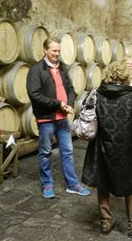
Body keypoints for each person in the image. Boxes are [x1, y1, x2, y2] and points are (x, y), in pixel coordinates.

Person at [82, 61, 132, 238]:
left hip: (100, 147)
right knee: (130, 185)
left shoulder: (97, 94)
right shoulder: (131, 99)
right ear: (125, 77)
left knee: (102, 182)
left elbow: (87, 114)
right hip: (122, 149)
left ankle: (106, 221)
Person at [27, 37, 90, 199]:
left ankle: (72, 184)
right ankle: (47, 184)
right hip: (46, 119)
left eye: (59, 51)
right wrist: (58, 104)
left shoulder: (61, 68)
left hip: (62, 118)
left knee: (68, 151)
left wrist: (68, 104)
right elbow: (35, 95)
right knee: (46, 152)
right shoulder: (36, 70)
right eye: (54, 50)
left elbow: (70, 89)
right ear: (45, 50)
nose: (57, 54)